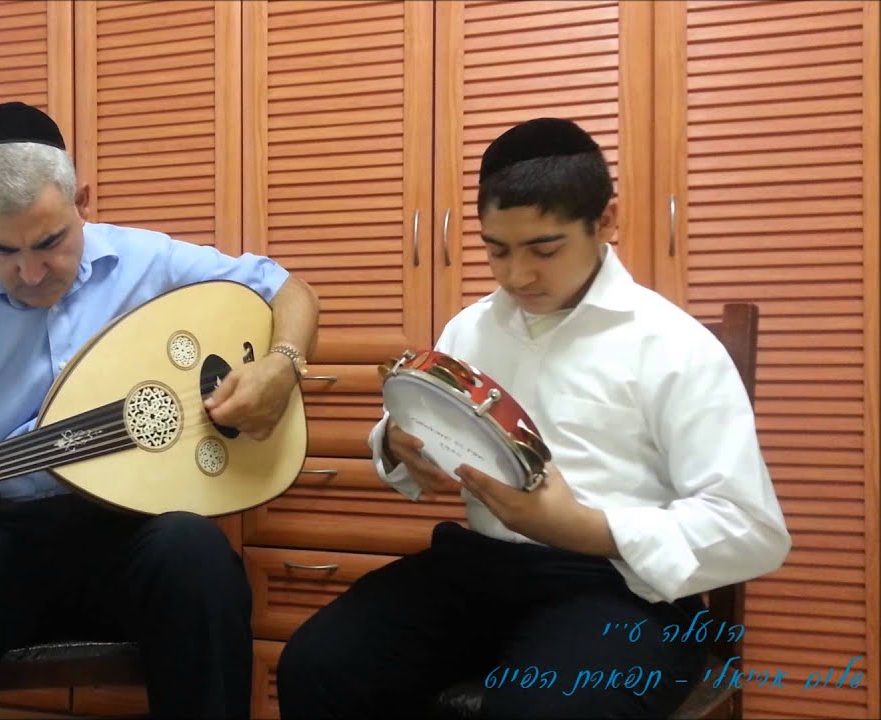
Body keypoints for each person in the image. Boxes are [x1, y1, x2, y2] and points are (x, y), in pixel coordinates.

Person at [275, 118, 790, 719]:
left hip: (623, 589)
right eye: (497, 250)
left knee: (542, 710)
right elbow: (411, 430)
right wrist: (396, 442)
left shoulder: (674, 345)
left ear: (606, 221)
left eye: (544, 250)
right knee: (317, 665)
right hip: (478, 568)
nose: (517, 275)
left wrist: (583, 528)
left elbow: (752, 530)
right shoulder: (470, 328)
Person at [0, 101, 320, 720]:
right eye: (1, 249)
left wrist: (281, 366)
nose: (29, 272)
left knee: (199, 559)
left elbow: (289, 290)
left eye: (49, 242)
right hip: (1, 532)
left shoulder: (148, 261)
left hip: (133, 524)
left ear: (82, 201)